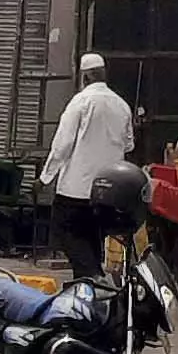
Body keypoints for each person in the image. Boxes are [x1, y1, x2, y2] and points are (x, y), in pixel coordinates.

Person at [42, 50, 133, 277]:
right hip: (108, 193)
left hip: (76, 192)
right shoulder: (122, 105)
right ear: (103, 75)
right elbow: (129, 145)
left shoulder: (80, 103)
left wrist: (45, 177)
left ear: (85, 77)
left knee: (67, 233)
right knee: (92, 241)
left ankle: (92, 278)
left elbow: (62, 145)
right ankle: (88, 289)